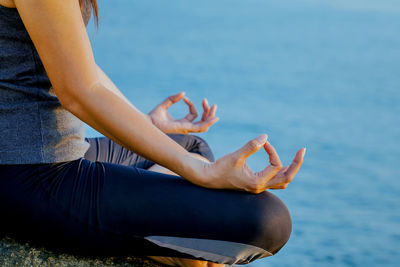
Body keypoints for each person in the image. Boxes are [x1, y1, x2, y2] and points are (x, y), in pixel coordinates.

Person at [0, 0, 306, 266]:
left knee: (192, 145)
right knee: (269, 221)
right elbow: (79, 92)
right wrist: (203, 172)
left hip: (38, 157)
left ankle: (173, 246)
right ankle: (169, 249)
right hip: (32, 176)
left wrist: (144, 127)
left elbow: (84, 70)